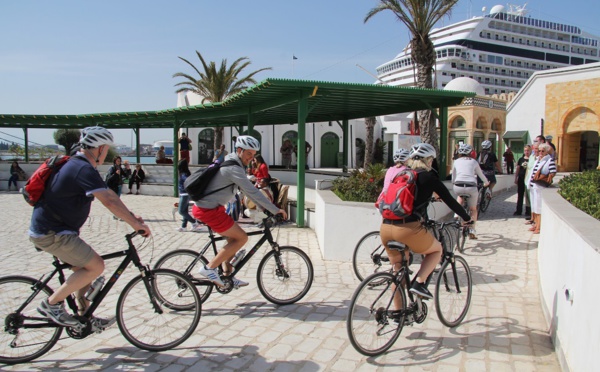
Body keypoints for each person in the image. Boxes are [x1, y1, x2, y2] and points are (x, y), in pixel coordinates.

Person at [29, 126, 150, 329]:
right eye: (106, 149)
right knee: (96, 266)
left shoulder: (77, 164)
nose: (107, 154)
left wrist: (130, 216)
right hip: (53, 233)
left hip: (53, 230)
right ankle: (51, 305)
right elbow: (109, 200)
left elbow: (108, 196)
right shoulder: (82, 167)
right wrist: (137, 225)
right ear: (100, 148)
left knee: (86, 270)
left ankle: (84, 316)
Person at [192, 135, 287, 288]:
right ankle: (208, 268)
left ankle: (227, 275)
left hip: (213, 208)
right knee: (241, 238)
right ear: (239, 150)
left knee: (232, 240)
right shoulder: (233, 167)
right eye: (249, 153)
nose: (252, 157)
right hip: (208, 210)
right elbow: (252, 192)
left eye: (254, 154)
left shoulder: (232, 161)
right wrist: (275, 210)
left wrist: (264, 207)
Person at [380, 143, 472, 300]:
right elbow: (450, 200)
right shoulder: (429, 176)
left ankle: (398, 314)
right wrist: (467, 218)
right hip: (407, 228)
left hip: (386, 227)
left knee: (398, 271)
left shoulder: (401, 174)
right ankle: (420, 283)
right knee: (436, 250)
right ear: (429, 160)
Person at [452, 144, 489, 240]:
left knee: (460, 196)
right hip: (471, 186)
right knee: (473, 209)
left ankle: (456, 215)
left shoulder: (456, 161)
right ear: (470, 153)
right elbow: (481, 175)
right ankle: (472, 229)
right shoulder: (474, 162)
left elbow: (453, 177)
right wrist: (486, 183)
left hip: (458, 185)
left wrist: (455, 183)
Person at [528, 143, 556, 234]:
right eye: (539, 150)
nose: (540, 152)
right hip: (533, 185)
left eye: (542, 151)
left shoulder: (549, 160)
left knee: (539, 207)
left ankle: (539, 227)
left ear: (546, 151)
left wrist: (548, 178)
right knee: (535, 206)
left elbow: (553, 172)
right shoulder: (538, 160)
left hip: (540, 186)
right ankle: (536, 224)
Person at [176, 159, 202, 232]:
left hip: (185, 194)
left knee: (181, 211)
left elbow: (188, 181)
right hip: (183, 194)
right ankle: (183, 226)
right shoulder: (185, 173)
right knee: (185, 211)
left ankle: (194, 222)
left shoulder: (184, 174)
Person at [514, 145, 531, 216]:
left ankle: (528, 211)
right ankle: (518, 210)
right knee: (520, 195)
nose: (526, 152)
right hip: (521, 178)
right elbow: (518, 169)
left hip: (528, 179)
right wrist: (516, 178)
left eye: (528, 150)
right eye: (525, 150)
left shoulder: (532, 159)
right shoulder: (521, 159)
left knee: (528, 196)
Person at [524, 143, 539, 222]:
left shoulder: (540, 158)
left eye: (537, 149)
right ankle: (532, 218)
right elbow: (528, 169)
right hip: (528, 181)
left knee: (535, 202)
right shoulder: (532, 157)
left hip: (536, 183)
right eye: (535, 149)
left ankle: (535, 219)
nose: (536, 150)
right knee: (530, 201)